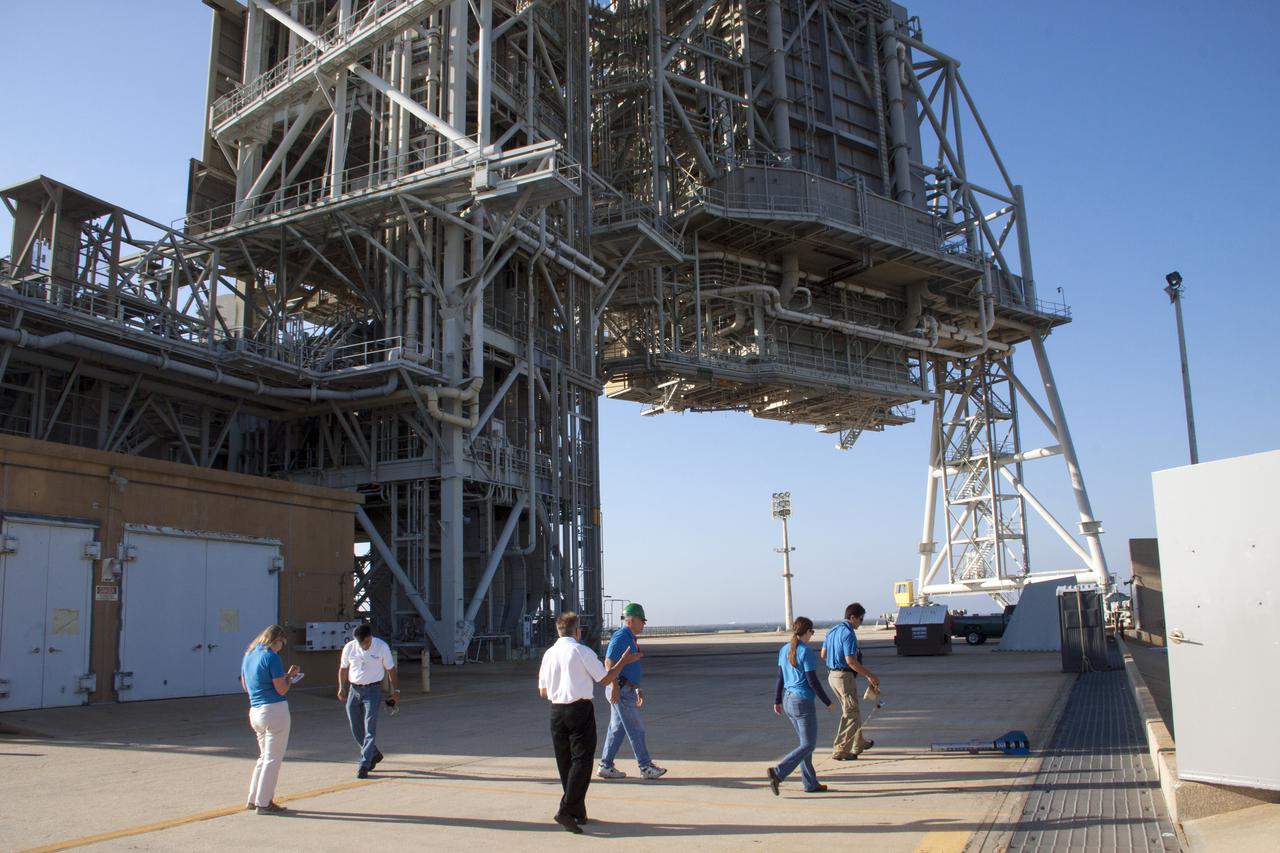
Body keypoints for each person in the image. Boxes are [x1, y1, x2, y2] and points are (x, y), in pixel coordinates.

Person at [538, 611, 641, 834]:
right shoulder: (581, 651)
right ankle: (566, 810)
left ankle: (577, 812)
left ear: (558, 631)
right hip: (579, 709)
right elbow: (605, 678)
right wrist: (623, 662)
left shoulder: (549, 654)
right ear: (577, 631)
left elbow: (543, 691)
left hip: (556, 711)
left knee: (565, 762)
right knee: (582, 762)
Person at [597, 602, 667, 780]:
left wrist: (636, 687)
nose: (644, 624)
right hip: (620, 690)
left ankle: (605, 766)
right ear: (631, 620)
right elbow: (608, 663)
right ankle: (645, 766)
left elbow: (628, 666)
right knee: (636, 729)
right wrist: (614, 687)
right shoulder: (621, 637)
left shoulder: (630, 638)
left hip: (625, 688)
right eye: (641, 620)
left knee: (616, 730)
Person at [766, 617, 834, 795]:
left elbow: (780, 678)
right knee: (808, 745)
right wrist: (827, 701)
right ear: (807, 632)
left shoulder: (784, 649)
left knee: (805, 744)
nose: (812, 635)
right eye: (812, 632)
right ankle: (779, 772)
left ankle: (810, 783)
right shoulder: (806, 652)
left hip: (788, 700)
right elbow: (813, 681)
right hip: (802, 702)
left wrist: (777, 700)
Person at [240, 624, 300, 815]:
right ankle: (264, 802)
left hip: (255, 710)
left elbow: (245, 686)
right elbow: (281, 689)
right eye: (282, 643)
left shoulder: (249, 655)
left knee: (263, 757)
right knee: (273, 759)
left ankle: (253, 798)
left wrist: (280, 678)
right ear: (277, 640)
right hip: (274, 709)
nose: (282, 647)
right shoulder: (272, 657)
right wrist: (290, 678)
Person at [337, 623, 400, 778]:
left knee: (370, 727)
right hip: (354, 689)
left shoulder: (381, 647)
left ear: (370, 637)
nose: (364, 646)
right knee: (355, 726)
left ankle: (364, 764)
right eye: (361, 643)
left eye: (366, 642)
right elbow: (343, 668)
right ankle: (374, 753)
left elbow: (391, 669)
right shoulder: (350, 648)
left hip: (372, 690)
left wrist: (396, 691)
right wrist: (341, 687)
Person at [821, 602, 881, 760]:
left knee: (852, 709)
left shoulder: (831, 631)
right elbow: (851, 661)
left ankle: (858, 742)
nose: (861, 623)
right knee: (851, 713)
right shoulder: (848, 634)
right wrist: (869, 675)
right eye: (860, 619)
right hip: (843, 676)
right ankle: (840, 748)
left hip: (832, 676)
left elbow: (823, 654)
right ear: (852, 617)